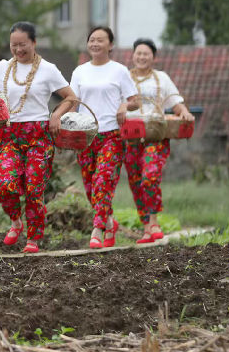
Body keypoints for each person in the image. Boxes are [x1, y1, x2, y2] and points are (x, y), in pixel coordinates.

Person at [0, 21, 76, 253]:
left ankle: (33, 237)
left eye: (23, 44)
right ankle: (15, 220)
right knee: (5, 184)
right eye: (14, 45)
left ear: (34, 43)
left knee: (33, 187)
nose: (19, 49)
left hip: (38, 136)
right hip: (8, 135)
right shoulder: (2, 67)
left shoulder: (48, 69)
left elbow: (71, 97)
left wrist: (57, 115)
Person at [70, 26, 139, 249]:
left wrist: (123, 105)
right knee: (91, 187)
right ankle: (109, 223)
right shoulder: (80, 71)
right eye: (92, 39)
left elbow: (135, 100)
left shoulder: (119, 71)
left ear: (110, 45)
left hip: (111, 134)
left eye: (101, 40)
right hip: (85, 135)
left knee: (103, 182)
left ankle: (97, 229)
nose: (95, 44)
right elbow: (73, 102)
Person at [124, 37, 194, 243]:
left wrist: (185, 113)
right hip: (131, 137)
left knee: (150, 176)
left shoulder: (162, 77)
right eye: (139, 53)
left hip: (156, 134)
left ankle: (154, 221)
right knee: (136, 181)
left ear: (153, 57)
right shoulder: (124, 77)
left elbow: (175, 102)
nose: (142, 57)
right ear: (133, 55)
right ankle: (146, 226)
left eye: (146, 54)